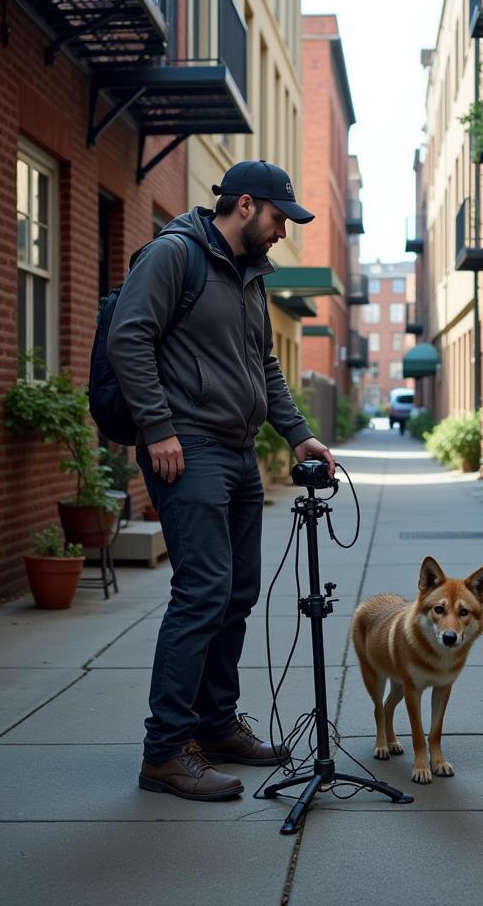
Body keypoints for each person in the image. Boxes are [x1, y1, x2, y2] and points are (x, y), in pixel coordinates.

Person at [107, 160, 335, 801]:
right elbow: (130, 338)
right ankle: (165, 751)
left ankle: (212, 724)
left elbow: (262, 364)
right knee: (202, 592)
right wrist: (156, 429)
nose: (283, 231)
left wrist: (297, 433)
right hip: (188, 450)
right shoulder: (174, 256)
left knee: (236, 592)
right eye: (278, 218)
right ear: (243, 205)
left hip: (237, 454)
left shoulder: (252, 279)